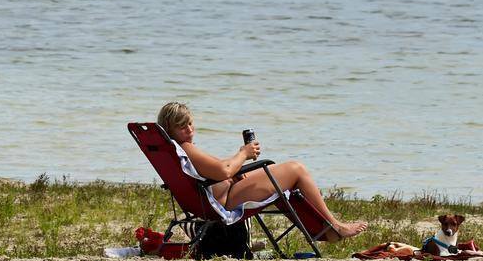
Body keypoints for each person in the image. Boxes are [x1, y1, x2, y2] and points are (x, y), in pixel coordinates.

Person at [156, 101, 369, 242]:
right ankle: (334, 226)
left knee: (284, 178)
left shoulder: (174, 151)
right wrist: (244, 154)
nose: (189, 129)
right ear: (170, 130)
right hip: (225, 202)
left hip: (218, 197)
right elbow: (222, 170)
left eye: (190, 123)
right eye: (181, 126)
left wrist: (235, 169)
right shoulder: (186, 148)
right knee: (296, 169)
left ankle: (328, 230)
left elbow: (216, 171)